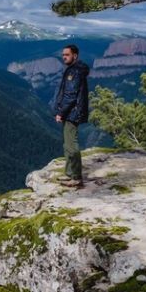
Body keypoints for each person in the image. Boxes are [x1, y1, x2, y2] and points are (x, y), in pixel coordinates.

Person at [54, 44, 90, 187]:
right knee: (67, 144)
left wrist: (60, 113)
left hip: (72, 112)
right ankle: (70, 173)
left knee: (71, 145)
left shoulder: (73, 72)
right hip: (71, 111)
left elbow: (70, 95)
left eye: (67, 55)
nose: (64, 57)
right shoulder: (75, 69)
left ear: (75, 55)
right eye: (63, 54)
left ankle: (76, 177)